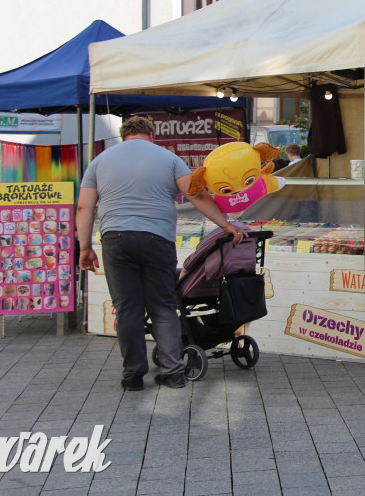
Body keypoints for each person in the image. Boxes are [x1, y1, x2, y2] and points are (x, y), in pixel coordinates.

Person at [76, 116, 245, 391]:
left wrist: (85, 248)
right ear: (151, 135)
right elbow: (197, 195)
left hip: (115, 240)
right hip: (158, 240)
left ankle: (132, 376)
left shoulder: (100, 161)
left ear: (123, 135)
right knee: (164, 307)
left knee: (127, 309)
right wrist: (225, 225)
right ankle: (172, 372)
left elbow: (85, 208)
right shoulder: (169, 159)